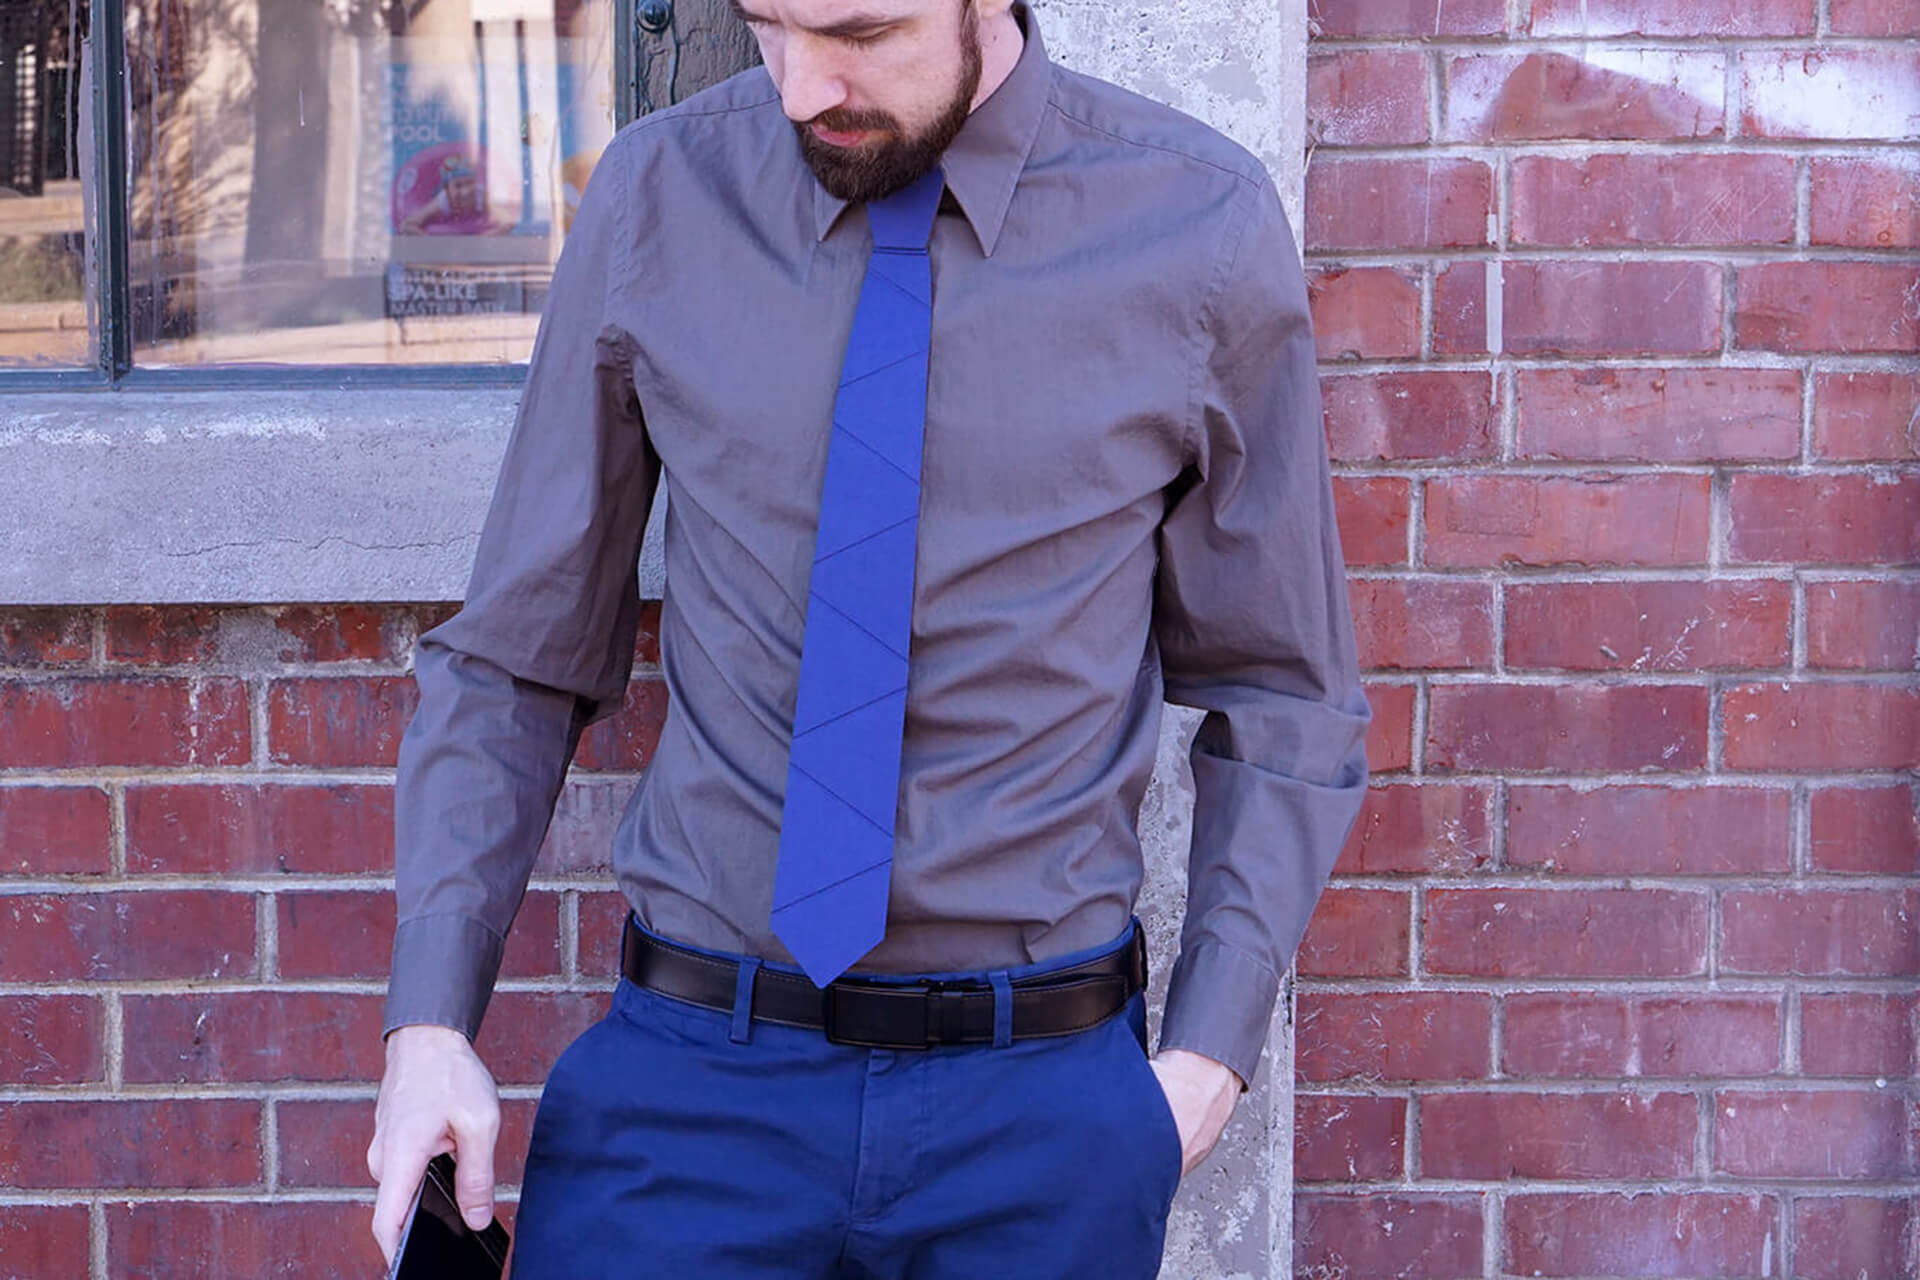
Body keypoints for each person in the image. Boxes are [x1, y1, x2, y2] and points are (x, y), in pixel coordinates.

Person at [367, 0, 1370, 1273]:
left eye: (857, 32)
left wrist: (1205, 1058)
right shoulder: (660, 198)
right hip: (693, 1086)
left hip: (1038, 1114)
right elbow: (516, 658)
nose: (799, 88)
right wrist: (429, 1023)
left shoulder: (1197, 229)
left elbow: (1287, 690)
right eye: (767, 26)